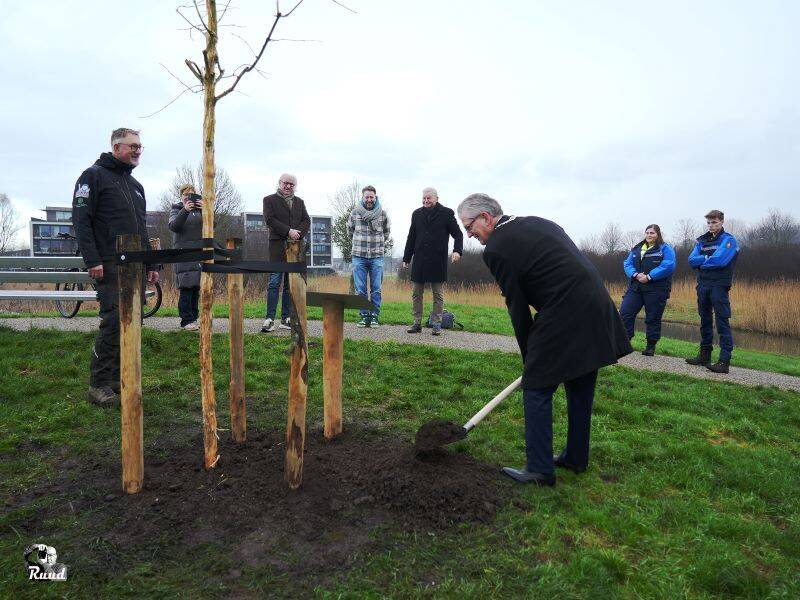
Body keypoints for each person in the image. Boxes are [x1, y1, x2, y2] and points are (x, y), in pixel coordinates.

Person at [456, 193, 631, 486]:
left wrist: (531, 360)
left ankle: (539, 469)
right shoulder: (535, 222)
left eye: (468, 227)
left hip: (566, 308)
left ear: (486, 217)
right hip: (596, 301)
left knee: (536, 387)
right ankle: (575, 458)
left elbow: (517, 306)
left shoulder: (497, 248)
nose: (469, 234)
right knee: (580, 381)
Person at [72, 127, 159, 406]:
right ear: (116, 147)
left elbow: (141, 229)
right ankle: (98, 384)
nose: (137, 151)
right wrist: (93, 260)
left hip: (134, 265)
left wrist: (151, 264)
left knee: (133, 320)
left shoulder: (136, 186)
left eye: (140, 147)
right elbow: (81, 220)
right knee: (113, 321)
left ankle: (118, 379)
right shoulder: (93, 176)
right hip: (108, 263)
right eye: (132, 146)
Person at [402, 187, 463, 336]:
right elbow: (411, 237)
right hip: (420, 260)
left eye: (428, 198)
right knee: (416, 293)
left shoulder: (447, 214)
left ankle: (436, 324)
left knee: (438, 294)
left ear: (436, 198)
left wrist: (457, 251)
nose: (425, 200)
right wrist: (406, 257)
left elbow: (458, 234)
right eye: (424, 198)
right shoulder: (416, 214)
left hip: (437, 260)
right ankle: (417, 323)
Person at [686, 209, 739, 373]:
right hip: (703, 285)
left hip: (719, 285)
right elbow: (691, 260)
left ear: (722, 222)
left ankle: (724, 361)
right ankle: (705, 356)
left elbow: (720, 260)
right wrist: (706, 258)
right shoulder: (701, 241)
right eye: (709, 222)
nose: (711, 225)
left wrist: (702, 260)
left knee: (722, 321)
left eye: (714, 222)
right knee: (705, 320)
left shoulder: (729, 240)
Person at [261, 173, 310, 333]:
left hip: (294, 249)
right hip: (277, 248)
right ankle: (269, 319)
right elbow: (270, 220)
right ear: (280, 183)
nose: (288, 186)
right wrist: (288, 231)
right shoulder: (269, 200)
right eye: (286, 183)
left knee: (290, 285)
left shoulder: (299, 202)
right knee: (274, 283)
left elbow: (306, 220)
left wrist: (297, 233)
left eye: (291, 184)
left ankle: (285, 318)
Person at [619, 224, 676, 356]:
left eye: (652, 233)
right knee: (625, 313)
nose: (649, 235)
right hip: (636, 287)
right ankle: (625, 342)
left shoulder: (665, 248)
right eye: (647, 233)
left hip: (656, 289)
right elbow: (627, 264)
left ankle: (650, 346)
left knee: (653, 317)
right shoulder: (637, 248)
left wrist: (650, 276)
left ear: (658, 234)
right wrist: (635, 274)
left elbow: (668, 265)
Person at [348, 185, 391, 327]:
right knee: (360, 288)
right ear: (363, 197)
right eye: (367, 196)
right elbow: (350, 231)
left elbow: (386, 232)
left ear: (375, 197)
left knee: (376, 288)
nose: (369, 199)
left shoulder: (383, 214)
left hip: (376, 256)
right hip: (358, 255)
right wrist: (359, 243)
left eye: (371, 197)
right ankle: (364, 315)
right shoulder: (354, 213)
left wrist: (377, 244)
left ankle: (374, 315)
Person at [169, 184, 205, 331]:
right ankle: (186, 320)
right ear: (181, 197)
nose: (188, 197)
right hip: (183, 254)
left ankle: (194, 317)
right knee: (186, 287)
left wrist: (206, 210)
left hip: (198, 254)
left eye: (192, 195)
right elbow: (174, 226)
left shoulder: (200, 211)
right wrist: (185, 210)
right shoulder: (176, 209)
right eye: (186, 195)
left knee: (196, 287)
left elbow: (212, 225)